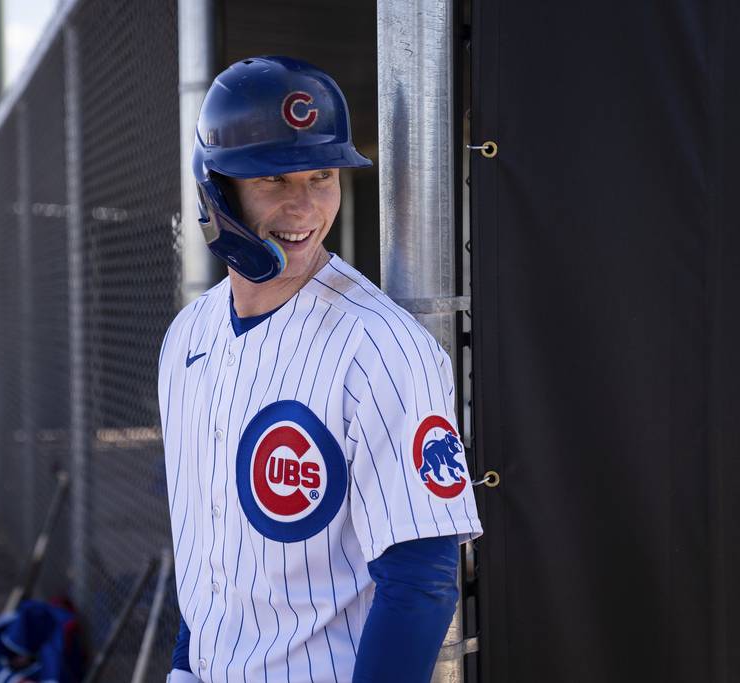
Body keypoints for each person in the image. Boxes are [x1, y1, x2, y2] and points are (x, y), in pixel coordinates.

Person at [157, 56, 483, 683]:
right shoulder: (185, 340)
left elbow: (422, 580)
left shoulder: (384, 347)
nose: (305, 206)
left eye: (322, 175)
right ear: (216, 190)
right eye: (275, 180)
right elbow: (207, 549)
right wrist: (184, 666)